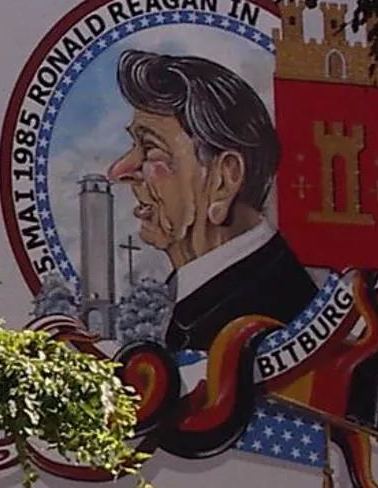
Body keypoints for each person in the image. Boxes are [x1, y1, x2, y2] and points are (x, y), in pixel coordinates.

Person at [106, 49, 316, 353]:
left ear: (223, 179)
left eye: (150, 149)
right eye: (133, 145)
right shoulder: (200, 299)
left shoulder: (270, 310)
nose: (119, 171)